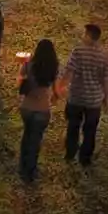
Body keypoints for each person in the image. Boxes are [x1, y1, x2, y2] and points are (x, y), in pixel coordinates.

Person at [59, 22, 108, 166]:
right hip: (94, 100)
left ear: (89, 36)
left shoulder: (78, 51)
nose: (82, 36)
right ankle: (85, 158)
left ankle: (70, 153)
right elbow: (107, 78)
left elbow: (69, 71)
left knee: (73, 126)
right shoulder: (104, 55)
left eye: (84, 34)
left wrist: (60, 87)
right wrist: (107, 97)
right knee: (90, 131)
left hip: (76, 97)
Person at [17, 39, 62, 184]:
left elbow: (18, 84)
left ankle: (22, 166)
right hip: (42, 110)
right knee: (35, 141)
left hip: (27, 107)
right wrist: (54, 99)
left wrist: (21, 69)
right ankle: (31, 170)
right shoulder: (53, 68)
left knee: (26, 135)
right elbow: (56, 92)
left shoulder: (28, 65)